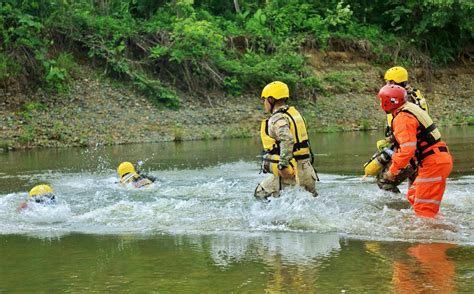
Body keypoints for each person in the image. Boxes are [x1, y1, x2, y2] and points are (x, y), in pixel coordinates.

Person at [378, 84, 453, 217]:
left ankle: (433, 236)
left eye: (381, 100)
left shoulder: (403, 118)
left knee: (424, 212)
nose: (380, 104)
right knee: (413, 197)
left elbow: (407, 150)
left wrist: (392, 171)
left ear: (387, 102)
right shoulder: (409, 108)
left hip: (433, 163)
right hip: (436, 160)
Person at [366, 66, 430, 193]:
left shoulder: (400, 101)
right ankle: (409, 208)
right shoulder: (415, 95)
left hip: (411, 151)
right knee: (414, 187)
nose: (386, 84)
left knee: (384, 181)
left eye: (388, 81)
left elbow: (406, 129)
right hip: (423, 149)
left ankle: (395, 208)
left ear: (393, 82)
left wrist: (388, 141)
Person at [254, 81, 317, 200]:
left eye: (265, 100)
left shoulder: (277, 119)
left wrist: (282, 166)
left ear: (271, 100)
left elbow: (287, 139)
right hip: (308, 172)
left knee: (260, 193)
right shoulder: (294, 114)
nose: (264, 103)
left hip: (292, 172)